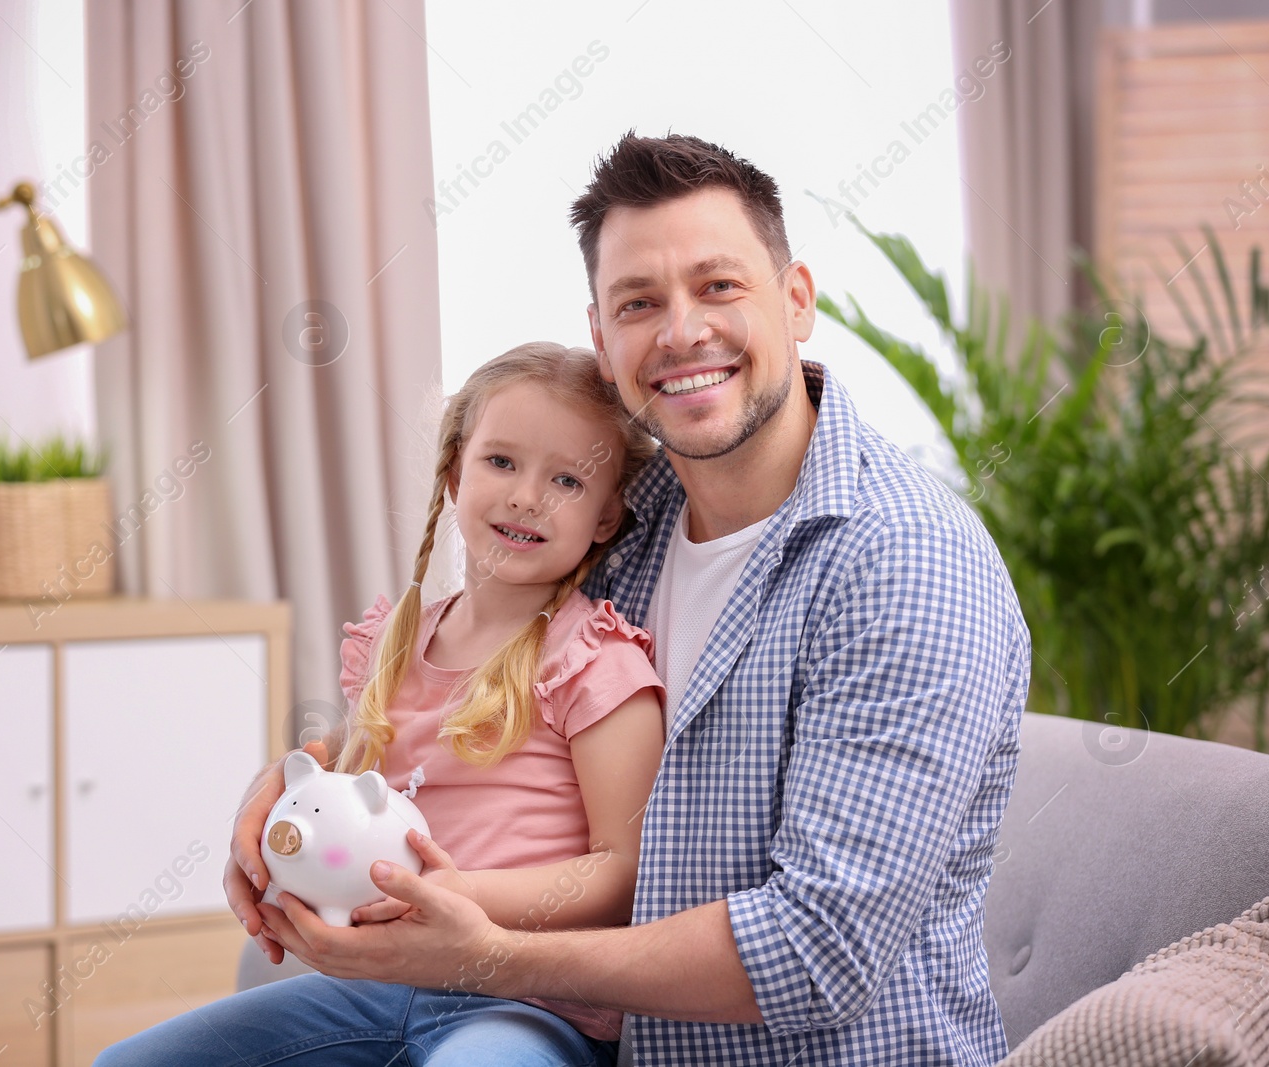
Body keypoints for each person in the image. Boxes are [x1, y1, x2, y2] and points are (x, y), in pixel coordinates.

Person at [234, 133, 1032, 1067]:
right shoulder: (618, 521)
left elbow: (818, 954)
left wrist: (491, 956)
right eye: (638, 304)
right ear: (604, 343)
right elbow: (447, 697)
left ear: (798, 299)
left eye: (719, 285)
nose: (681, 330)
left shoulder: (903, 563)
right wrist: (286, 802)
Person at [97, 342, 668, 1066]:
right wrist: (274, 816)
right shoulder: (394, 644)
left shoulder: (595, 661)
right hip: (377, 984)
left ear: (607, 517)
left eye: (566, 479)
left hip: (526, 1000)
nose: (528, 495)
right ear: (456, 472)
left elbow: (623, 871)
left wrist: (455, 893)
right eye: (502, 462)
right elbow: (338, 772)